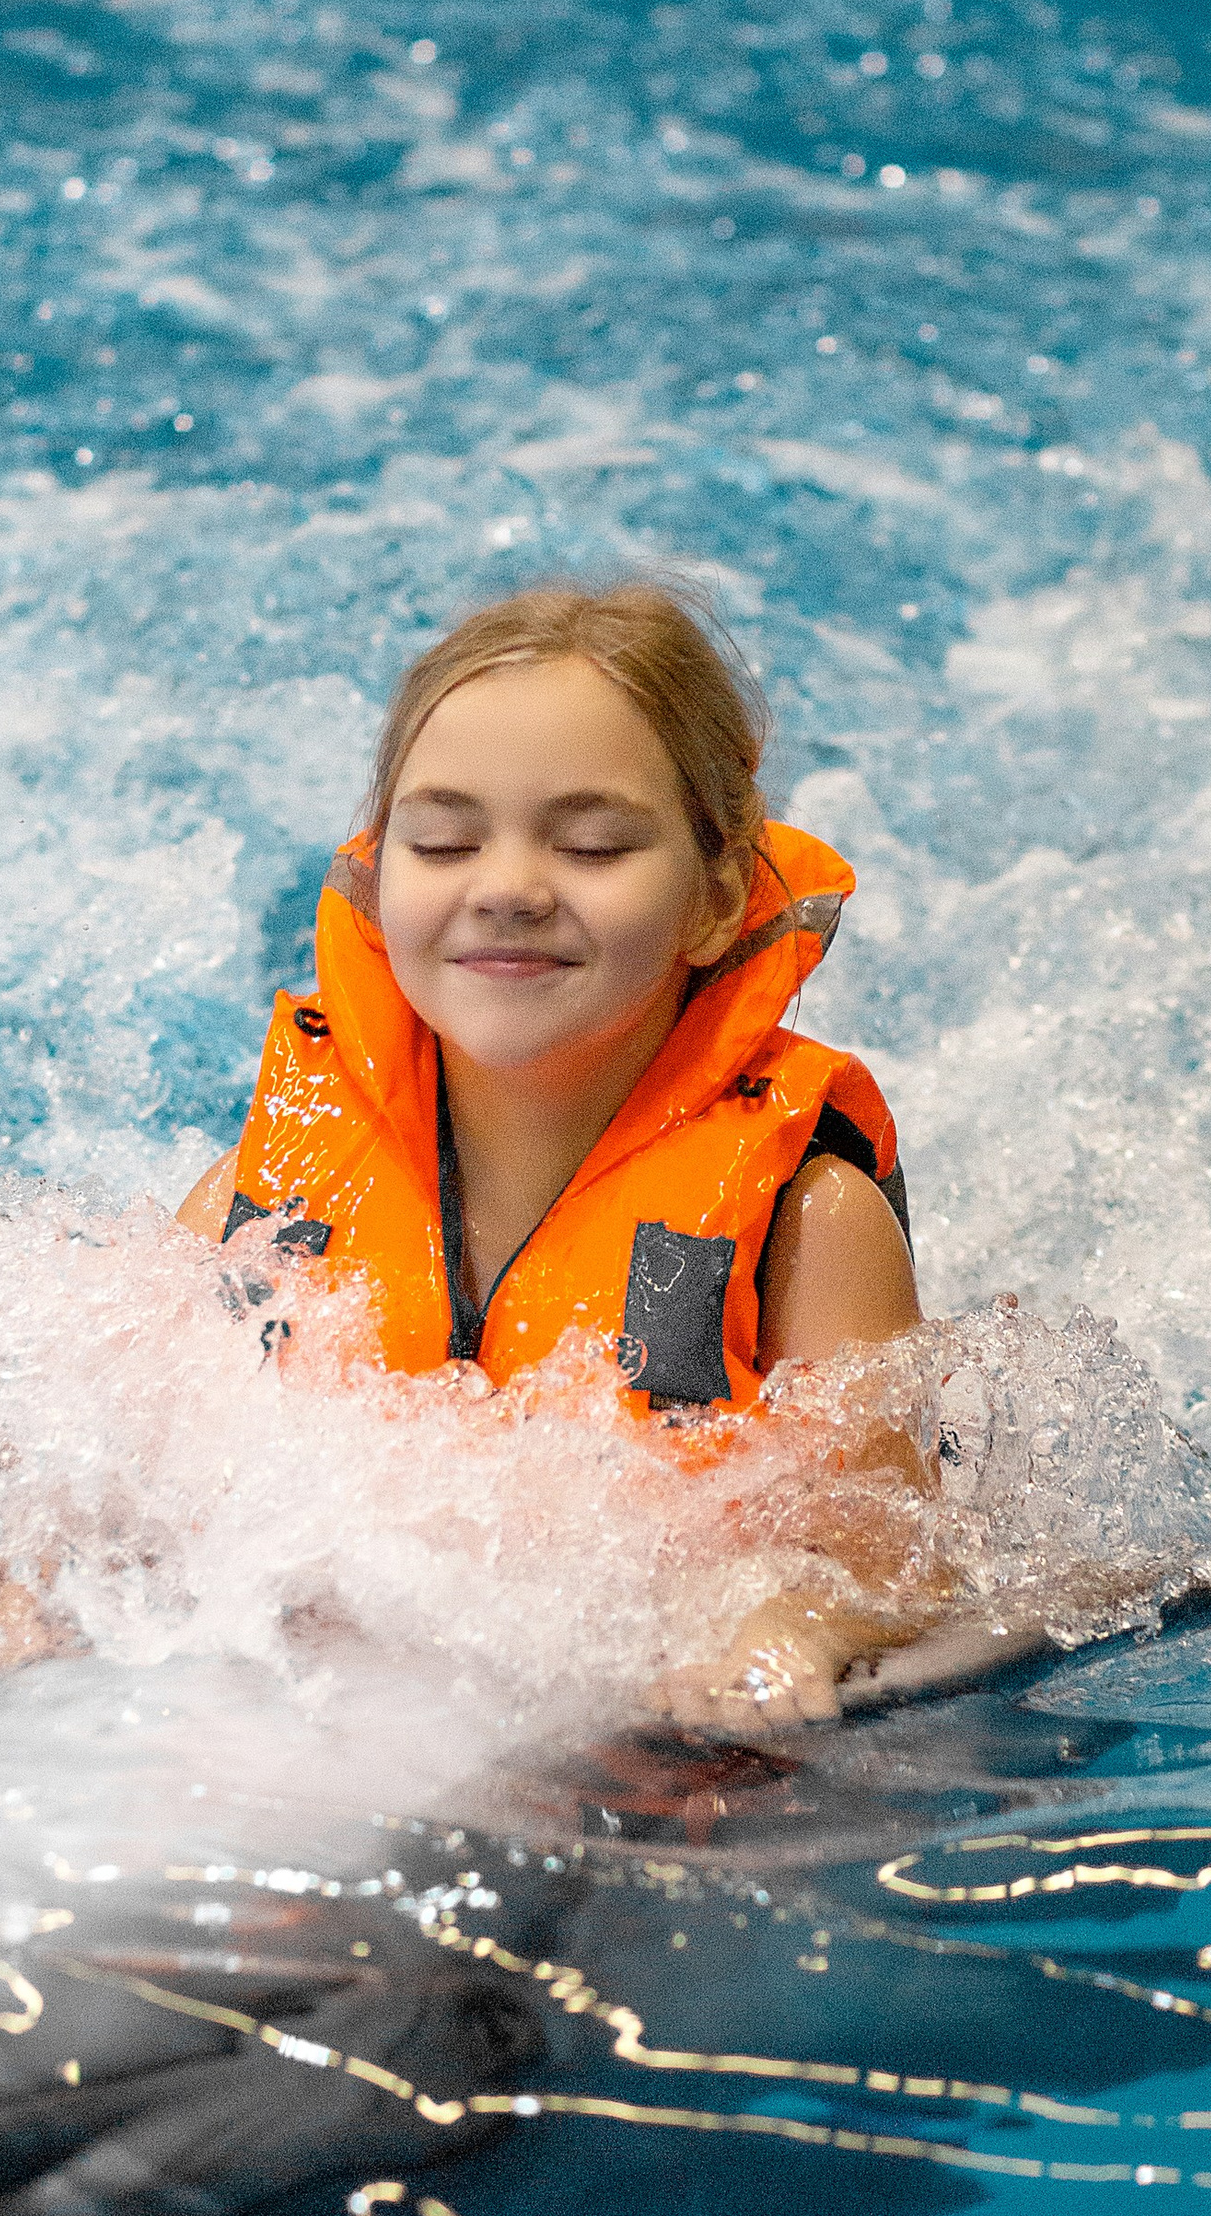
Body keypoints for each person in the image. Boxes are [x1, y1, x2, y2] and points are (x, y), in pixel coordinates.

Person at [172, 577, 935, 1724]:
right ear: (382, 882)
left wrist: (793, 1618)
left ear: (716, 897)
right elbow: (112, 1482)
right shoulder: (262, 1201)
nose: (509, 889)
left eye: (589, 845)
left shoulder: (804, 1230)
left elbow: (895, 1563)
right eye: (442, 840)